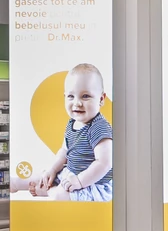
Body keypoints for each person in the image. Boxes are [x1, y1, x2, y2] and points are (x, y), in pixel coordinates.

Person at [28, 64, 114, 202]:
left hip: (93, 182)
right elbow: (64, 151)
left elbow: (104, 163)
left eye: (85, 96)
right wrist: (52, 170)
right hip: (73, 174)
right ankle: (16, 184)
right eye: (71, 96)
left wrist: (79, 181)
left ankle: (48, 191)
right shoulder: (72, 123)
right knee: (43, 175)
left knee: (59, 196)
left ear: (101, 99)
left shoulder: (99, 128)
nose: (77, 103)